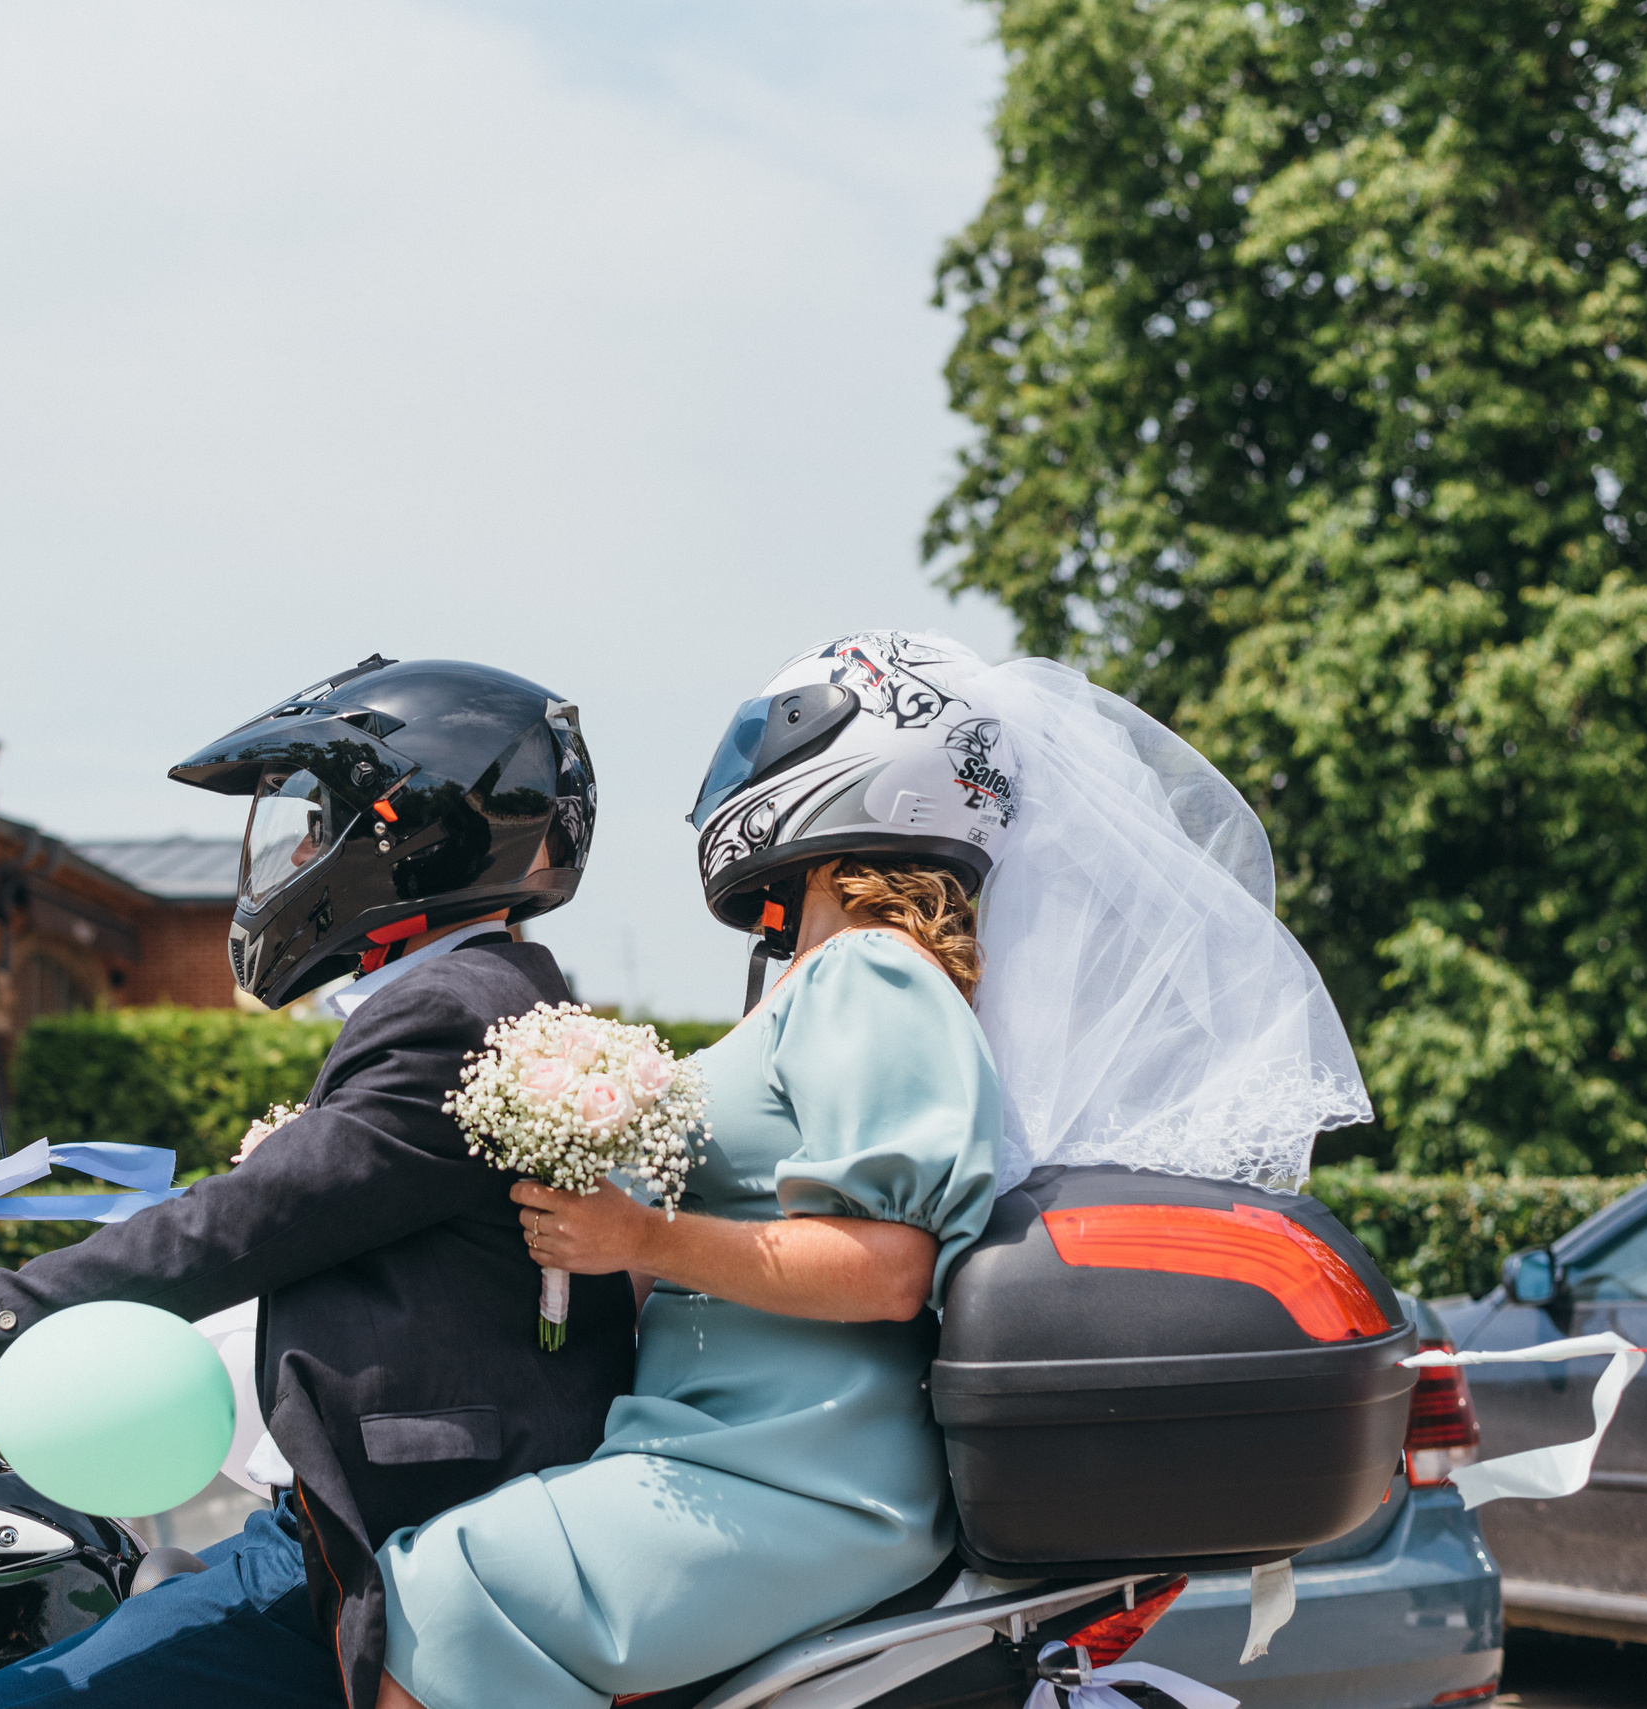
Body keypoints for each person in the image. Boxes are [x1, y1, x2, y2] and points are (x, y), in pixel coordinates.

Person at [372, 629, 1372, 1709]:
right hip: (720, 1444)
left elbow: (886, 1265)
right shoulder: (817, 978)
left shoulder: (871, 972)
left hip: (801, 1476)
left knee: (454, 1582)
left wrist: (642, 1237)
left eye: (769, 743)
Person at [0, 655, 631, 1709]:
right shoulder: (491, 996)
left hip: (373, 1546)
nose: (299, 853)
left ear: (414, 835)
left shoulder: (451, 1013)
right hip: (341, 1521)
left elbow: (229, 1230)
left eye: (320, 824)